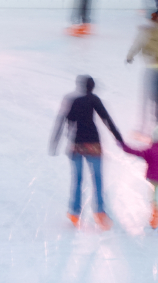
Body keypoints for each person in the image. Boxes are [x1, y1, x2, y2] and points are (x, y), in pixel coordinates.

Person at [50, 75, 124, 230]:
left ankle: (74, 212)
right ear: (92, 87)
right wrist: (119, 138)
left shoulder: (73, 101)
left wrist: (55, 141)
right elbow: (106, 119)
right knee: (97, 178)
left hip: (76, 145)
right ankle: (99, 212)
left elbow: (63, 120)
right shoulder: (94, 99)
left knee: (77, 179)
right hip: (93, 144)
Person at [119, 124, 158, 229]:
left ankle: (155, 215)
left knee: (153, 196)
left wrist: (125, 148)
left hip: (153, 178)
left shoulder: (150, 150)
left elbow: (137, 152)